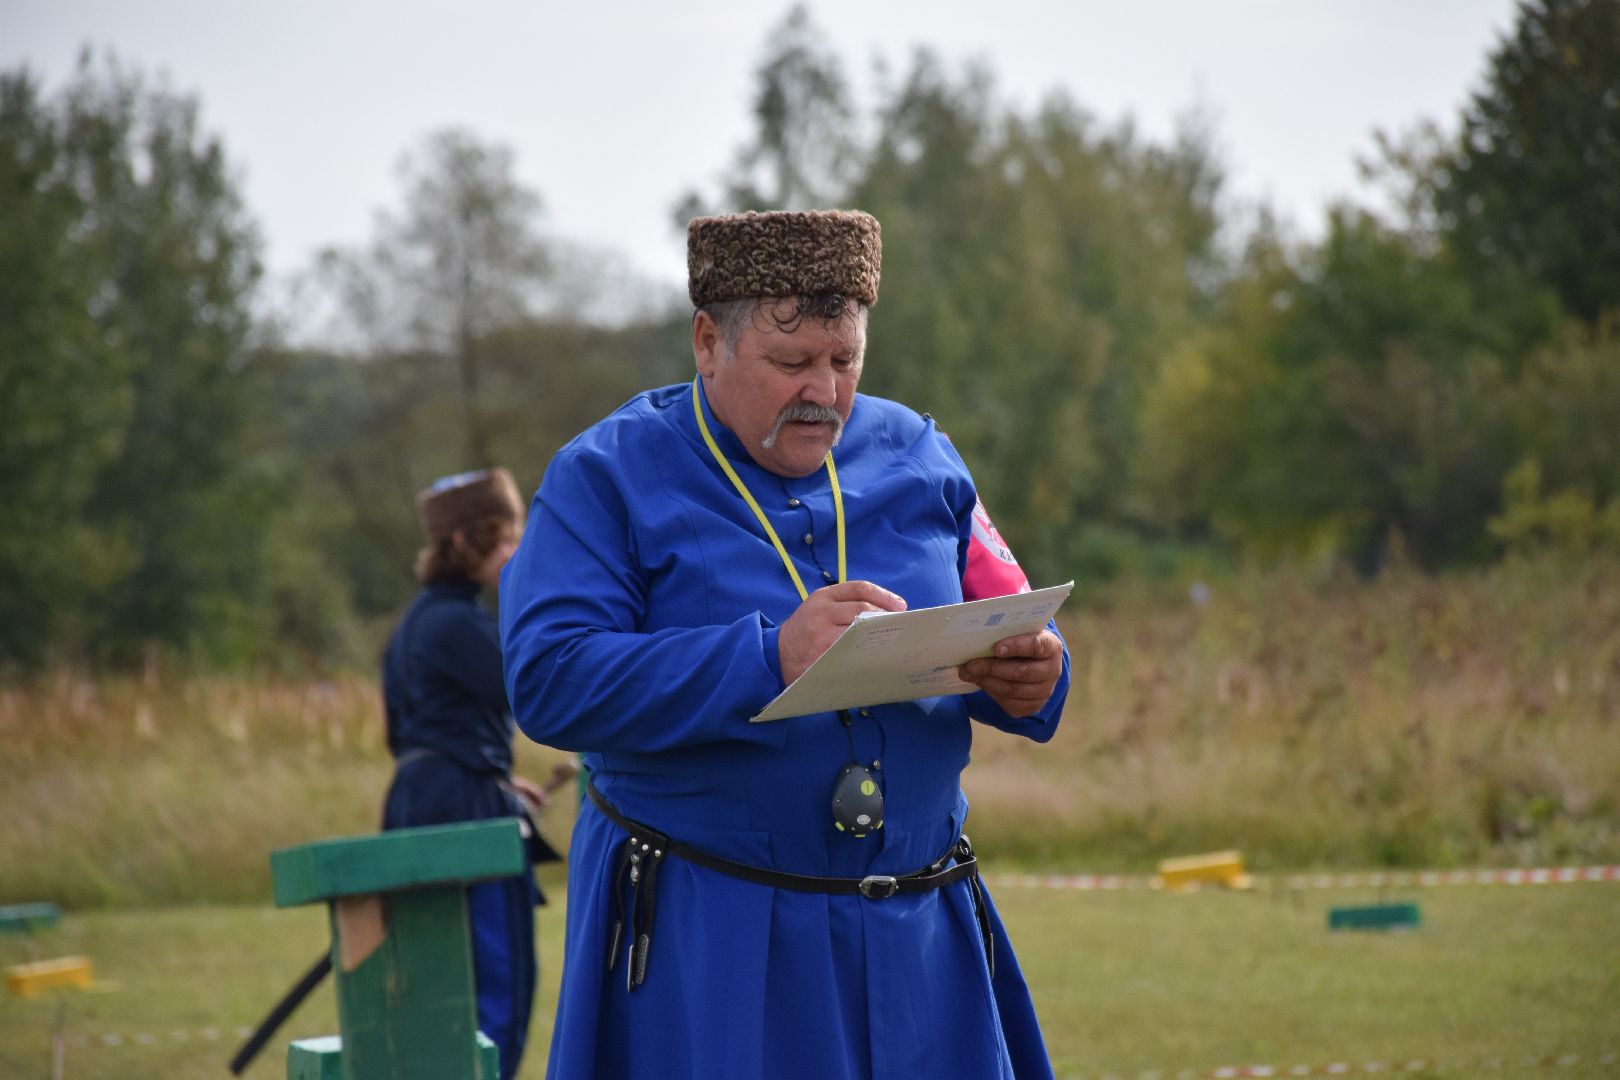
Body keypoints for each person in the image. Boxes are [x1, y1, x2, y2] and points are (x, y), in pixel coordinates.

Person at [499, 210, 1070, 1079]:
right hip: (708, 941)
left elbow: (1012, 612)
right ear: (707, 343)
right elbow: (549, 679)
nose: (825, 393)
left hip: (921, 937)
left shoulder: (921, 453)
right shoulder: (605, 475)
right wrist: (766, 660)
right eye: (792, 362)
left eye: (845, 361)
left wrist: (1035, 673)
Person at [381, 467, 551, 1080]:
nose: (516, 552)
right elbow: (536, 691)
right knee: (493, 982)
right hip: (463, 813)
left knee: (440, 980)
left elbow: (416, 735)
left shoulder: (415, 623)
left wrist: (492, 777)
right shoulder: (457, 623)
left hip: (422, 800)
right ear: (463, 542)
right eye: (505, 539)